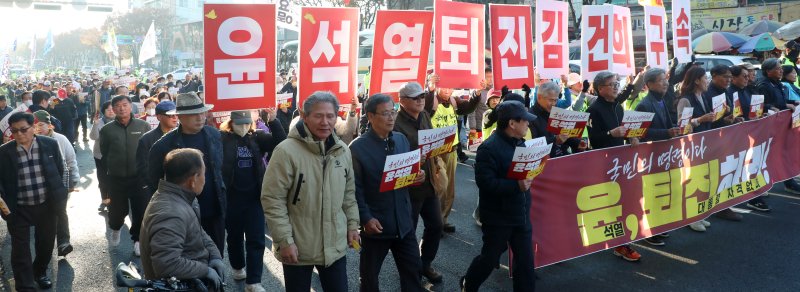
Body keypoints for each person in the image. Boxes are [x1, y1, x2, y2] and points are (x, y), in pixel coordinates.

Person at [261, 91, 360, 291]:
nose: (325, 121)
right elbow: (273, 200)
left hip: (334, 244)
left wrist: (352, 225)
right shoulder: (286, 151)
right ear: (304, 117)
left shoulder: (342, 150)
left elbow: (348, 195)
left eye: (330, 116)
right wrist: (285, 240)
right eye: (318, 115)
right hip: (298, 247)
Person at [350, 94, 425, 291]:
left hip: (404, 224)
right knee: (369, 279)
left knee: (413, 273)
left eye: (393, 112)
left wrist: (416, 177)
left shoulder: (401, 140)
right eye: (385, 113)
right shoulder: (357, 148)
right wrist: (365, 218)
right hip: (376, 226)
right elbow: (354, 190)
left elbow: (405, 178)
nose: (391, 117)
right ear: (371, 116)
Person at [461, 100, 536, 292]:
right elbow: (485, 183)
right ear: (512, 123)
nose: (528, 124)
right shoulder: (489, 148)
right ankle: (468, 284)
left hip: (521, 214)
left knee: (526, 264)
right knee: (489, 259)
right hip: (498, 217)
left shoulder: (522, 143)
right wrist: (516, 185)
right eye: (525, 121)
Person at [148, 92, 227, 254]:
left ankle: (218, 279)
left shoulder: (214, 135)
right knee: (189, 258)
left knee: (216, 254)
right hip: (181, 212)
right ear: (180, 117)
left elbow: (220, 169)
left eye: (202, 112)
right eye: (193, 114)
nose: (200, 117)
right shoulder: (163, 146)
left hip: (215, 208)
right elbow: (153, 181)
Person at [139, 149, 226, 292]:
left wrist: (215, 256)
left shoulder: (179, 196)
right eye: (204, 173)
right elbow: (166, 264)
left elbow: (198, 231)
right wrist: (205, 271)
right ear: (192, 180)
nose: (206, 179)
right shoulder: (170, 213)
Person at [0, 112, 68, 290]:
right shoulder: (4, 152)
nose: (20, 134)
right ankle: (25, 285)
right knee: (20, 250)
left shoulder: (50, 144)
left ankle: (39, 272)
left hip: (47, 205)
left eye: (23, 129)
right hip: (19, 208)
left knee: (45, 244)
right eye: (15, 131)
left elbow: (62, 170)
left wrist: (62, 195)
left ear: (33, 127)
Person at [220, 109, 285, 292]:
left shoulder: (257, 138)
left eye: (247, 123)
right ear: (231, 123)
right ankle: (238, 266)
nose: (243, 127)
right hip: (231, 199)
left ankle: (254, 281)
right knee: (234, 238)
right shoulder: (222, 138)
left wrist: (274, 121)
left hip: (255, 199)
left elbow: (280, 143)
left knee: (256, 239)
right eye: (239, 123)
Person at [586, 71, 642, 261]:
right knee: (611, 205)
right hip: (604, 163)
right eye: (612, 84)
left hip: (621, 162)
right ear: (601, 89)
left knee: (622, 204)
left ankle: (621, 242)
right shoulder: (593, 109)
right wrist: (611, 134)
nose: (617, 86)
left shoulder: (618, 107)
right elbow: (593, 139)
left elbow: (622, 130)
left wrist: (630, 136)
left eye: (617, 83)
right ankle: (619, 244)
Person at [393, 82, 445, 283]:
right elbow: (394, 154)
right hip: (408, 187)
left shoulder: (424, 115)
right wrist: (415, 157)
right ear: (402, 101)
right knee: (408, 232)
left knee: (436, 225)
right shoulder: (395, 122)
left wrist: (441, 146)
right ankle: (411, 268)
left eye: (422, 96)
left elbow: (431, 140)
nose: (420, 100)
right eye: (415, 97)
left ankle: (425, 264)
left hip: (429, 182)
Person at [425, 74, 481, 233]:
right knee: (439, 186)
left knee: (449, 187)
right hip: (434, 152)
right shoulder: (431, 99)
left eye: (451, 87)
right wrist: (430, 89)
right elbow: (425, 108)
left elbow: (469, 107)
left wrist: (476, 94)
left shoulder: (454, 101)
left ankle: (443, 219)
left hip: (450, 149)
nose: (448, 90)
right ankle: (435, 222)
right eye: (444, 86)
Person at [634, 68, 684, 245]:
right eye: (661, 80)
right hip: (650, 157)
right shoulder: (644, 105)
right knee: (651, 194)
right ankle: (648, 231)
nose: (665, 83)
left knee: (662, 192)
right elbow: (640, 133)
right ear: (649, 85)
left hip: (663, 156)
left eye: (666, 79)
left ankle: (658, 226)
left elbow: (667, 125)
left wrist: (675, 130)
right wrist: (667, 132)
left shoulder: (662, 100)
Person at [99, 95, 151, 248]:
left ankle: (138, 240)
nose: (121, 108)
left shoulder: (143, 126)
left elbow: (148, 150)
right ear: (113, 109)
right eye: (117, 106)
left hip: (139, 177)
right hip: (116, 178)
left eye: (124, 104)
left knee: (141, 210)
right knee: (116, 211)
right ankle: (115, 228)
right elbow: (105, 152)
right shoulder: (107, 130)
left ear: (131, 106)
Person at [32, 110, 79, 256]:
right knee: (44, 217)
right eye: (34, 125)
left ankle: (63, 242)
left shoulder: (61, 139)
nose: (38, 128)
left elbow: (71, 160)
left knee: (60, 212)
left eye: (41, 125)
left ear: (49, 125)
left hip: (59, 183)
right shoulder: (30, 142)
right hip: (38, 186)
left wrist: (73, 180)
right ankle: (45, 249)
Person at [529, 82, 586, 157]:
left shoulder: (556, 112)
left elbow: (564, 136)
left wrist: (577, 143)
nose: (553, 103)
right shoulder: (530, 117)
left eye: (555, 100)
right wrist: (554, 140)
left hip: (562, 156)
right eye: (550, 100)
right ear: (539, 97)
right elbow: (531, 145)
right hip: (545, 161)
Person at [90, 101, 115, 212]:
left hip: (116, 156)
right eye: (108, 109)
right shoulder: (99, 122)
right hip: (100, 155)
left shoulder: (119, 121)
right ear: (104, 111)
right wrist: (95, 124)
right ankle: (104, 200)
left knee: (114, 178)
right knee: (103, 178)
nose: (111, 111)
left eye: (112, 109)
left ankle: (113, 200)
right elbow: (93, 137)